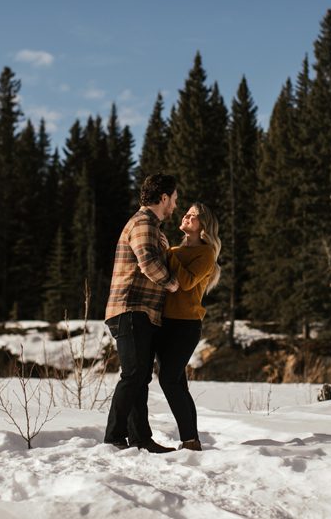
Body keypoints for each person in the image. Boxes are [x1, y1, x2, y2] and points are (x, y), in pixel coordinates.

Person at [103, 173, 180, 453]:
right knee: (134, 374)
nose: (175, 205)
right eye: (173, 199)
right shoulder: (144, 223)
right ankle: (113, 437)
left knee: (140, 376)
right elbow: (147, 261)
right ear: (163, 198)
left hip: (140, 310)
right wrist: (172, 284)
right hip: (130, 307)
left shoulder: (153, 226)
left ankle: (140, 439)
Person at [158, 202, 221, 452]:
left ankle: (191, 439)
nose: (186, 216)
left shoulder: (206, 254)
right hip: (164, 322)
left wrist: (168, 253)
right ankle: (190, 440)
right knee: (177, 382)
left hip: (185, 325)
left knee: (169, 380)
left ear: (203, 226)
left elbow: (184, 282)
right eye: (186, 212)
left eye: (193, 216)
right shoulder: (174, 249)